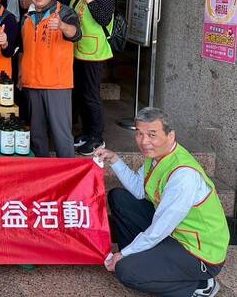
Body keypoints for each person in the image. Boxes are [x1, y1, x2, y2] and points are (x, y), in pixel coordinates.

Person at [97, 108, 229, 297]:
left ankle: (199, 285)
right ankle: (143, 260)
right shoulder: (157, 156)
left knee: (125, 271)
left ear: (170, 135)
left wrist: (124, 254)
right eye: (139, 133)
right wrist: (114, 159)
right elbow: (139, 190)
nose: (144, 141)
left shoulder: (183, 175)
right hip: (175, 233)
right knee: (119, 197)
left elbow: (160, 229)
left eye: (152, 134)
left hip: (199, 252)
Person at [19, 0, 81, 158]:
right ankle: (42, 171)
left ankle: (68, 171)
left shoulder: (64, 12)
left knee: (61, 134)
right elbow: (23, 48)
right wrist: (21, 75)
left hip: (56, 84)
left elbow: (76, 33)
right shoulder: (27, 16)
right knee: (37, 134)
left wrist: (62, 26)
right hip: (32, 82)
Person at [71, 0, 116, 155]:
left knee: (91, 96)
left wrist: (90, 0)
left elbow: (104, 19)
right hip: (78, 50)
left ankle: (97, 138)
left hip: (94, 53)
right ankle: (87, 132)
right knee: (81, 94)